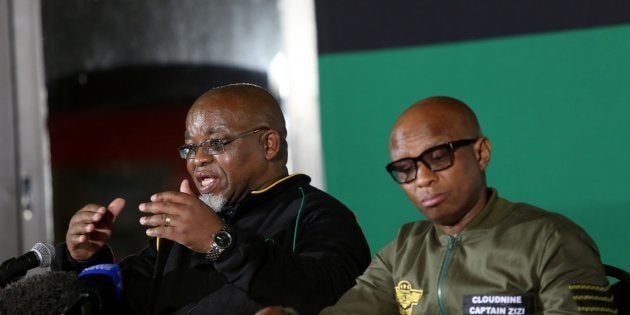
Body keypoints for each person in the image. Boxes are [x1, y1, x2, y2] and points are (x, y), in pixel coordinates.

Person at [258, 96, 616, 315]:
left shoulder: (549, 240)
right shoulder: (404, 250)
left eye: (438, 156)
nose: (422, 178)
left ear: (481, 153)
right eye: (405, 169)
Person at [52, 83, 371, 314]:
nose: (197, 159)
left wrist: (219, 242)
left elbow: (331, 298)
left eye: (216, 143)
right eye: (190, 147)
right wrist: (85, 258)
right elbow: (131, 300)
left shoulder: (319, 215)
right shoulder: (185, 226)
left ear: (269, 145)